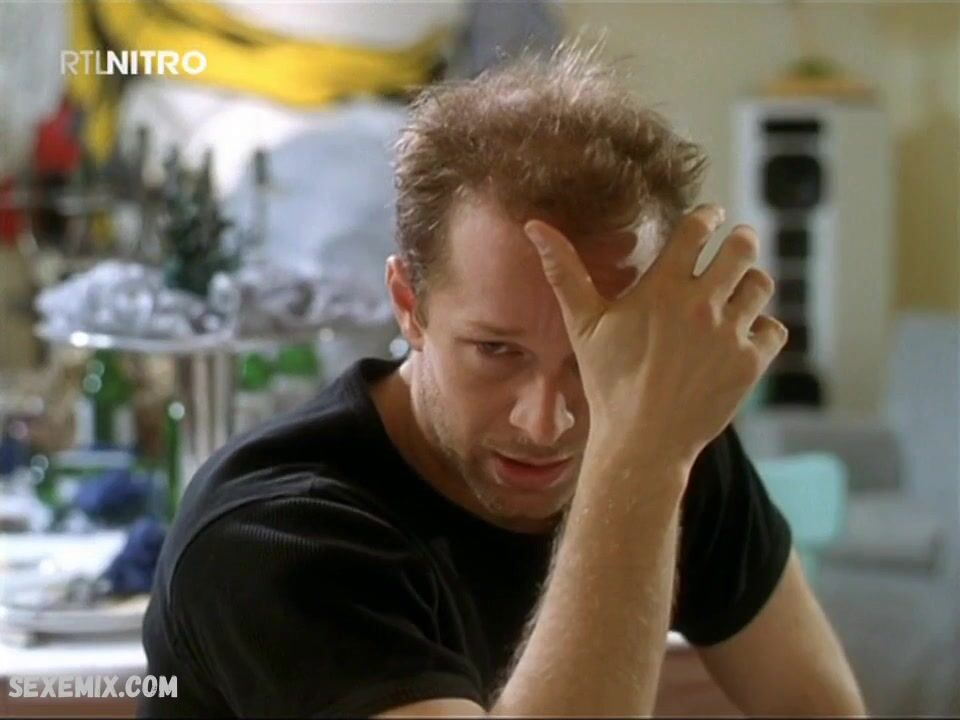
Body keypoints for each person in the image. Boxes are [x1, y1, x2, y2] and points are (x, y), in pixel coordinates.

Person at [139, 45, 867, 717]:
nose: (544, 423)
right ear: (409, 305)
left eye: (595, 361)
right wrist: (640, 464)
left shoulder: (654, 436)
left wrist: (647, 451)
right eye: (496, 350)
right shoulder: (275, 538)